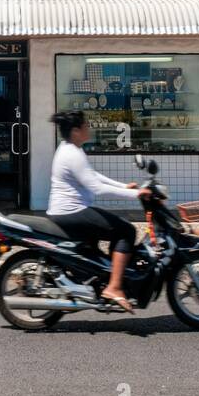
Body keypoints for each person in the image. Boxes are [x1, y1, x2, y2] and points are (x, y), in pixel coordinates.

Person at [46, 111, 151, 311]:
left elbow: (92, 175)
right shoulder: (72, 154)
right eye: (86, 125)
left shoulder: (68, 148)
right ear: (76, 131)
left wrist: (123, 186)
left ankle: (104, 278)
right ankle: (114, 286)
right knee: (126, 230)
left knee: (107, 234)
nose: (89, 128)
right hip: (71, 212)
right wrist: (136, 194)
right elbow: (97, 187)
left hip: (66, 211)